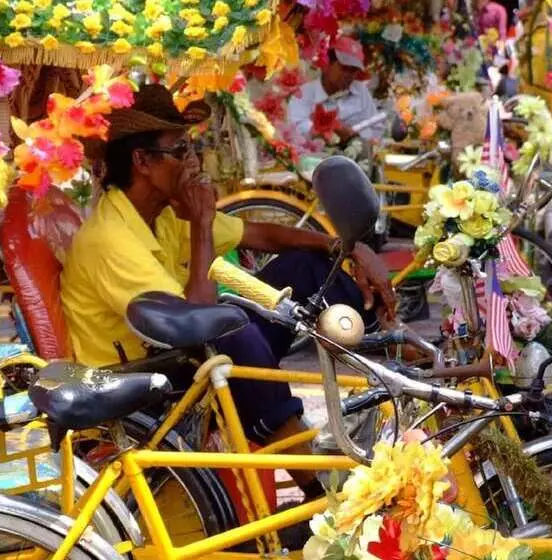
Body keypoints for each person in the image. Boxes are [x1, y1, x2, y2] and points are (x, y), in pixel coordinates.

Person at [60, 84, 396, 503]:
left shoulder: (158, 214)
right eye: (180, 150)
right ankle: (314, 487)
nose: (192, 161)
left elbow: (260, 234)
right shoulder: (109, 236)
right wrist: (200, 223)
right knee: (232, 330)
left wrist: (347, 248)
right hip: (141, 380)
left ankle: (392, 362)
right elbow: (194, 324)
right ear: (142, 161)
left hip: (179, 354)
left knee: (305, 266)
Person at [287, 36, 386, 143]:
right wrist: (328, 130)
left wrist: (356, 134)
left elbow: (377, 129)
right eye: (344, 67)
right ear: (327, 64)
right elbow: (295, 126)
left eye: (353, 70)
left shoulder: (360, 90)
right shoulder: (304, 93)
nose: (348, 75)